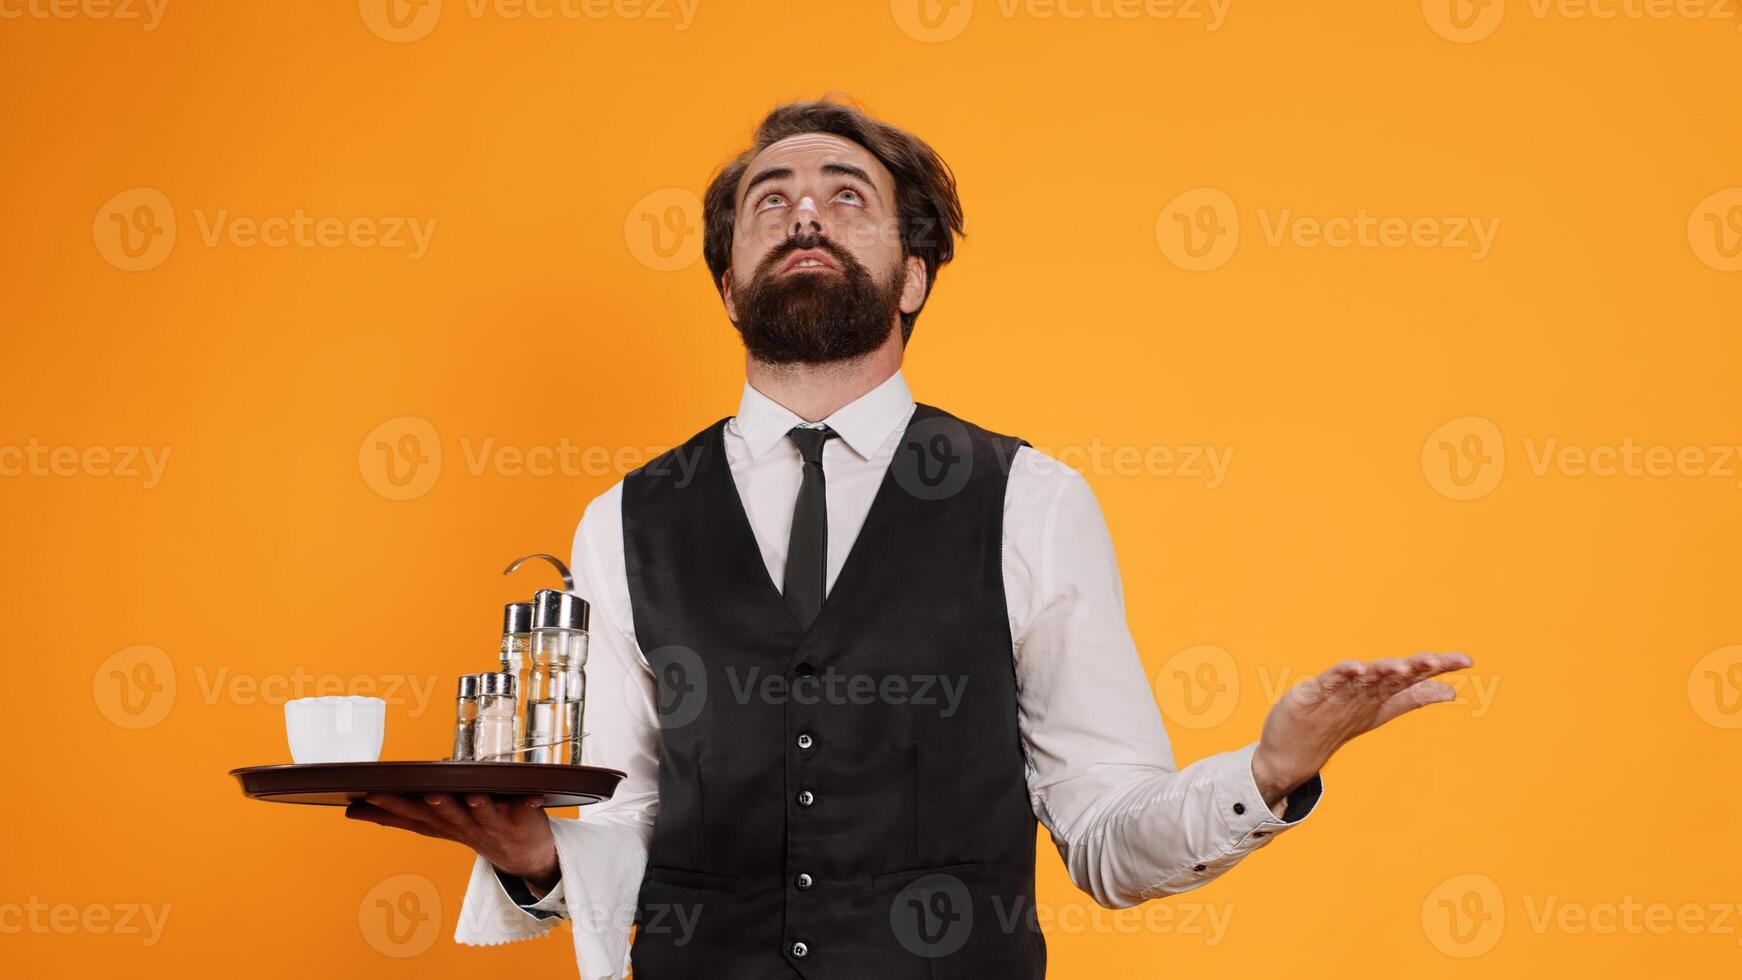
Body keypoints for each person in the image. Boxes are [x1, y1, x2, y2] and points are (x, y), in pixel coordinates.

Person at [344, 96, 1473, 979]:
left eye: (845, 196)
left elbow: (1103, 834)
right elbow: (626, 818)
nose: (802, 213)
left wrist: (1269, 770)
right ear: (726, 284)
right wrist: (538, 863)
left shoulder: (1028, 498)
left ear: (914, 271)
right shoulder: (625, 517)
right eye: (769, 200)